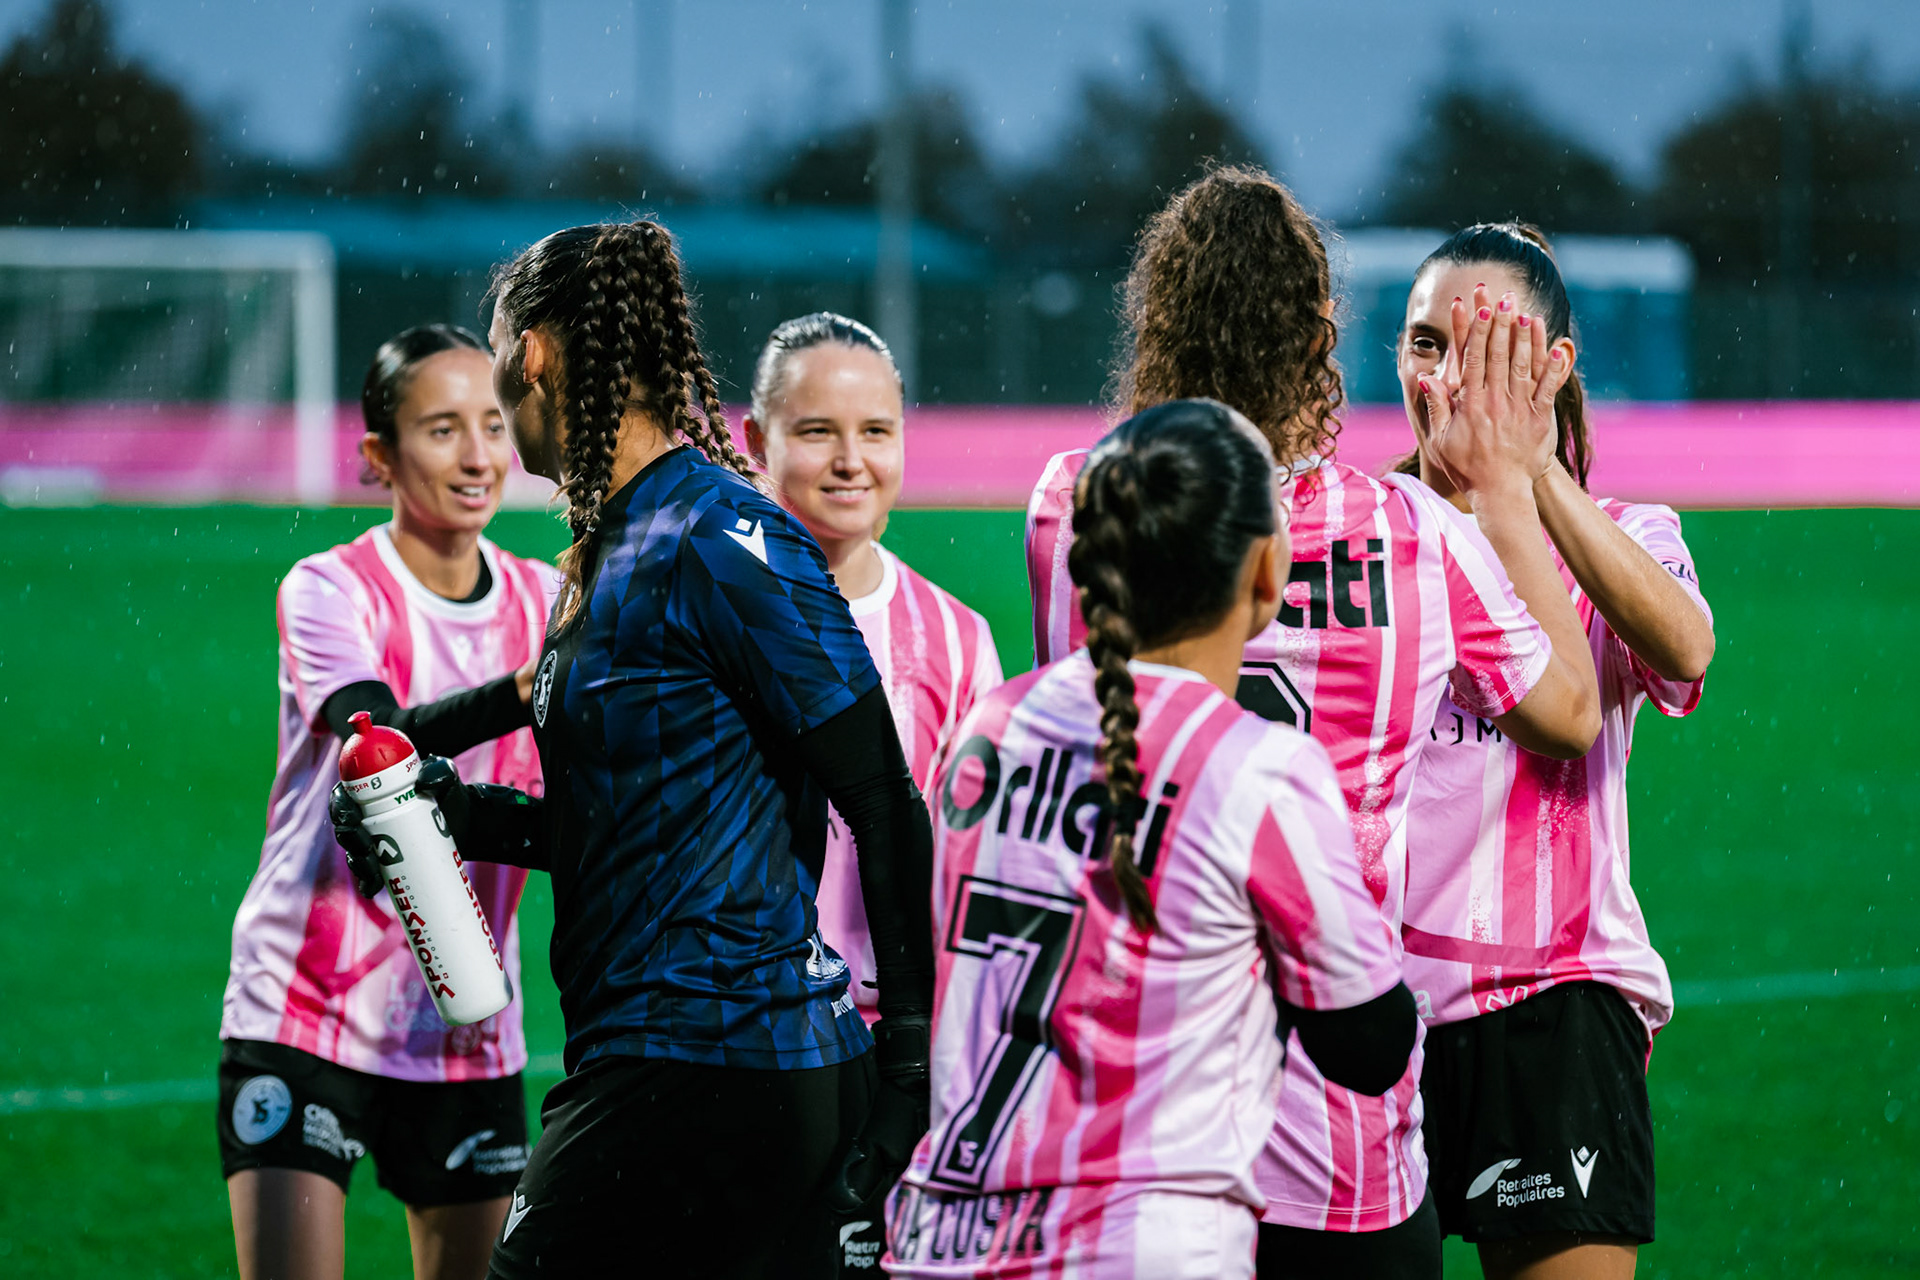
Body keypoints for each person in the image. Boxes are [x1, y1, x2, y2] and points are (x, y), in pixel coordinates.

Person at [1024, 167, 1602, 1278]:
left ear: (1159, 321)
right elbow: (1570, 715)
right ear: (1317, 333)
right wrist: (1510, 486)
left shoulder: (1075, 498)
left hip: (1136, 1115)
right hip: (1339, 1131)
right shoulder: (1412, 530)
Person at [334, 219, 936, 1279]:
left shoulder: (721, 537)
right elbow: (630, 831)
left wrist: (908, 1072)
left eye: (498, 354)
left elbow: (884, 800)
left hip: (713, 1062)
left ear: (531, 355)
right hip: (679, 1061)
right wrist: (457, 813)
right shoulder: (610, 549)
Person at [888, 398, 1418, 1280]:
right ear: (1267, 570)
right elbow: (1369, 1045)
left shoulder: (991, 727)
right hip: (1134, 1248)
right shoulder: (1257, 769)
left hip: (944, 1240)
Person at [1395, 224, 1716, 1280]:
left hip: (1555, 1003)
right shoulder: (1363, 537)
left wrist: (1531, 479)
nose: (1450, 379)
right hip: (1370, 1005)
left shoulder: (1624, 533)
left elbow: (1684, 651)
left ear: (1555, 365)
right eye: (1427, 343)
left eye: (1489, 348)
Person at [218, 324, 554, 1280]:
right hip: (304, 1006)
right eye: (442, 429)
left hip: (466, 1021)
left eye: (493, 424)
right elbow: (380, 742)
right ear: (379, 454)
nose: (479, 455)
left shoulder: (546, 600)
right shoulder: (329, 588)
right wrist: (524, 688)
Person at [744, 311, 1004, 1274]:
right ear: (756, 440)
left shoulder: (958, 639)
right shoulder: (706, 607)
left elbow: (969, 870)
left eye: (876, 431)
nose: (851, 461)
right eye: (817, 431)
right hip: (735, 1043)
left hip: (891, 1049)